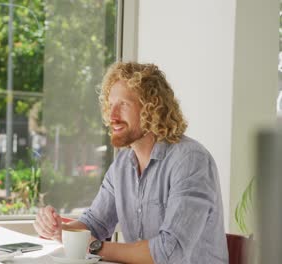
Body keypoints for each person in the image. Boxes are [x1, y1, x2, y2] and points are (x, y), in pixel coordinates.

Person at [33, 62, 228, 264]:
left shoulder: (190, 160)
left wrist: (95, 246)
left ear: (152, 109)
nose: (112, 116)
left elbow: (169, 251)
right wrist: (59, 230)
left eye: (124, 105)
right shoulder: (122, 165)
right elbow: (95, 223)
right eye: (110, 105)